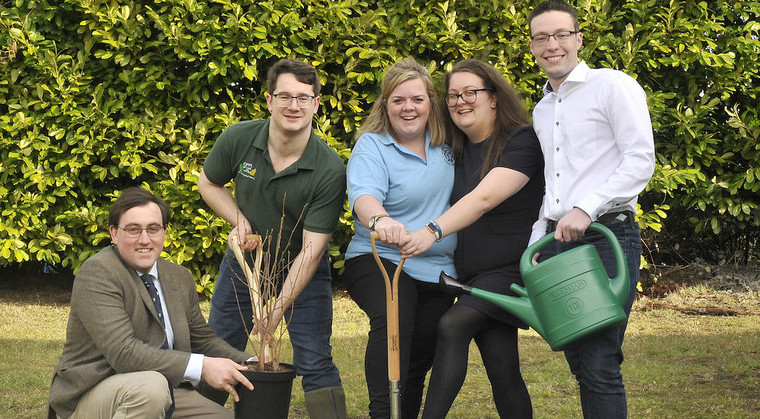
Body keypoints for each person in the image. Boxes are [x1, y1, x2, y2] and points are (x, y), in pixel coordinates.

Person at [197, 59, 347, 418]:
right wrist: (240, 221)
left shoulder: (329, 169)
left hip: (302, 270)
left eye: (303, 97)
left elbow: (311, 252)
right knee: (219, 349)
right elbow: (209, 182)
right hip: (243, 266)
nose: (293, 106)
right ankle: (198, 412)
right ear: (268, 100)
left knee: (313, 357)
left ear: (316, 103)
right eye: (284, 96)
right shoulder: (239, 137)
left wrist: (276, 310)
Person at [527, 1, 656, 418]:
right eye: (542, 37)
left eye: (561, 34)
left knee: (600, 361)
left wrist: (585, 207)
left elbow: (639, 160)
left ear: (579, 39)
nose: (552, 45)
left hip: (606, 237)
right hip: (557, 244)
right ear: (532, 46)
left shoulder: (613, 86)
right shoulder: (542, 109)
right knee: (579, 362)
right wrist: (536, 245)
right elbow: (554, 182)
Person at [399, 59, 543, 418]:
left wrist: (431, 232)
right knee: (502, 368)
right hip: (472, 277)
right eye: (452, 96)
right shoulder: (456, 149)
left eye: (470, 93)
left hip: (511, 271)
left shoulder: (521, 140)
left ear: (493, 98)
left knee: (452, 325)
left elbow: (482, 199)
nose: (461, 101)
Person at [48, 187, 254, 419]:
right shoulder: (98, 273)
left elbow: (202, 339)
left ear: (164, 233)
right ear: (114, 234)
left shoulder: (179, 276)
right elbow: (124, 353)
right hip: (92, 394)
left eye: (153, 229)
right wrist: (204, 367)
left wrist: (251, 362)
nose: (144, 239)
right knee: (150, 388)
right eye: (133, 230)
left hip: (165, 391)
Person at [343, 57, 457, 418]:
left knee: (419, 359)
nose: (408, 107)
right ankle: (382, 413)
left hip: (438, 268)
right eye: (398, 100)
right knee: (396, 323)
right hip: (381, 260)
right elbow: (363, 195)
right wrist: (381, 220)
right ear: (386, 105)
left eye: (417, 99)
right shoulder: (373, 146)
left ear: (430, 104)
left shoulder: (448, 144)